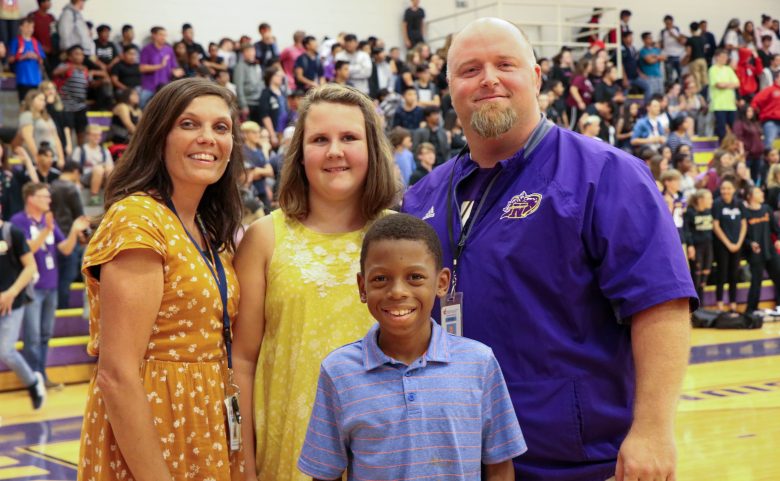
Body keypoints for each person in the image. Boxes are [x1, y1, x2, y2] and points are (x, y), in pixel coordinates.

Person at [402, 18, 695, 480]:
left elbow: (662, 304)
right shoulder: (421, 199)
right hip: (455, 459)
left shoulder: (607, 175)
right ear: (450, 88)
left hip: (578, 460)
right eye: (470, 70)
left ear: (537, 77)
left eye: (505, 64)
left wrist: (654, 430)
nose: (489, 79)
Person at [76, 78, 246, 480]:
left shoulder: (208, 229)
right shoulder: (138, 218)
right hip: (153, 428)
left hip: (204, 419)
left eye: (220, 128)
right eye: (189, 124)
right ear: (159, 136)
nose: (208, 138)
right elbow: (117, 374)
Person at [232, 84, 397, 481]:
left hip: (386, 453)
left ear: (372, 150)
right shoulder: (264, 238)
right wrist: (244, 465)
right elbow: (242, 361)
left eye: (349, 138)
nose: (335, 151)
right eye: (320, 139)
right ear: (300, 154)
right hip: (290, 455)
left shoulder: (399, 235)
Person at [298, 213, 526, 480]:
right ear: (362, 287)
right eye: (381, 279)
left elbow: (499, 467)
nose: (397, 292)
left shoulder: (479, 362)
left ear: (441, 283)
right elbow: (325, 474)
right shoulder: (339, 372)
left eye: (415, 277)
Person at [10, 182, 89, 389]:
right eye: (45, 196)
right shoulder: (18, 222)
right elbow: (26, 250)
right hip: (32, 287)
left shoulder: (49, 220)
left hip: (51, 285)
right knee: (32, 336)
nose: (49, 200)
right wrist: (47, 230)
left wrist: (73, 230)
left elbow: (64, 249)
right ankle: (33, 379)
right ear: (31, 199)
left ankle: (41, 376)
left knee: (45, 335)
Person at [0, 207, 45, 410]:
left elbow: (30, 267)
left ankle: (33, 383)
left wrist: (11, 292)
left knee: (5, 351)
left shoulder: (12, 232)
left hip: (12, 302)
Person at [50, 160, 85, 309]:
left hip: (54, 236)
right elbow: (80, 215)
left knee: (58, 276)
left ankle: (56, 307)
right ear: (76, 172)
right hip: (70, 237)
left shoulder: (51, 187)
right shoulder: (72, 188)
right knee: (67, 277)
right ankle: (62, 307)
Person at [743, 186, 780, 314]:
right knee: (756, 282)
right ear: (750, 196)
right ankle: (751, 309)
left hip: (770, 250)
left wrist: (778, 240)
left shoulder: (767, 209)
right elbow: (743, 235)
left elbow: (776, 229)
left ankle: (779, 307)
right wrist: (750, 243)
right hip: (755, 254)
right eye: (758, 192)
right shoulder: (745, 213)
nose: (762, 194)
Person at [711, 177, 746, 311]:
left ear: (734, 190)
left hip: (737, 244)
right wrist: (728, 243)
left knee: (734, 274)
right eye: (723, 188)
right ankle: (719, 302)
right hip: (722, 245)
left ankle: (733, 303)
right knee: (722, 273)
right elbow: (716, 226)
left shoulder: (739, 203)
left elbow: (743, 224)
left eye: (728, 188)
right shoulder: (717, 203)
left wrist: (738, 243)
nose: (725, 191)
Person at [71, 124, 114, 205]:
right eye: (94, 135)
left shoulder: (104, 151)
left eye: (99, 135)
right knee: (98, 169)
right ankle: (94, 197)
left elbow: (110, 167)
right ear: (88, 136)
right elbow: (74, 168)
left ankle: (110, 195)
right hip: (85, 177)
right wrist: (77, 182)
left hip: (102, 177)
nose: (97, 137)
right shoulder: (80, 150)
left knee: (109, 168)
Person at [684, 189, 714, 303]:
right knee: (696, 276)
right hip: (697, 247)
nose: (711, 201)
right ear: (700, 200)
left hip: (708, 246)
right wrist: (690, 245)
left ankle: (703, 305)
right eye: (709, 198)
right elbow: (687, 231)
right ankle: (695, 305)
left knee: (705, 276)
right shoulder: (690, 212)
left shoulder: (709, 211)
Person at [8, 17, 46, 101]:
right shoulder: (16, 41)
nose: (30, 29)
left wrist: (35, 56)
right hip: (23, 79)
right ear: (21, 27)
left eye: (32, 27)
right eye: (27, 26)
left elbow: (41, 60)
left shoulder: (36, 42)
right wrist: (24, 57)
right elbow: (10, 59)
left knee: (36, 102)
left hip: (36, 79)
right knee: (24, 103)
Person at [709, 48, 740, 141]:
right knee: (721, 129)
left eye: (726, 57)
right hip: (719, 105)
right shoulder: (712, 69)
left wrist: (725, 84)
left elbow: (737, 84)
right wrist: (729, 84)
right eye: (723, 57)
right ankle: (722, 147)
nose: (725, 59)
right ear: (717, 57)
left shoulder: (729, 69)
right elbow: (718, 85)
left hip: (731, 105)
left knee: (734, 128)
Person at [751, 72, 780, 150]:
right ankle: (766, 161)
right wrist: (757, 114)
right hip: (771, 121)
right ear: (776, 79)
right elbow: (755, 102)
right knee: (769, 144)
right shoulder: (769, 90)